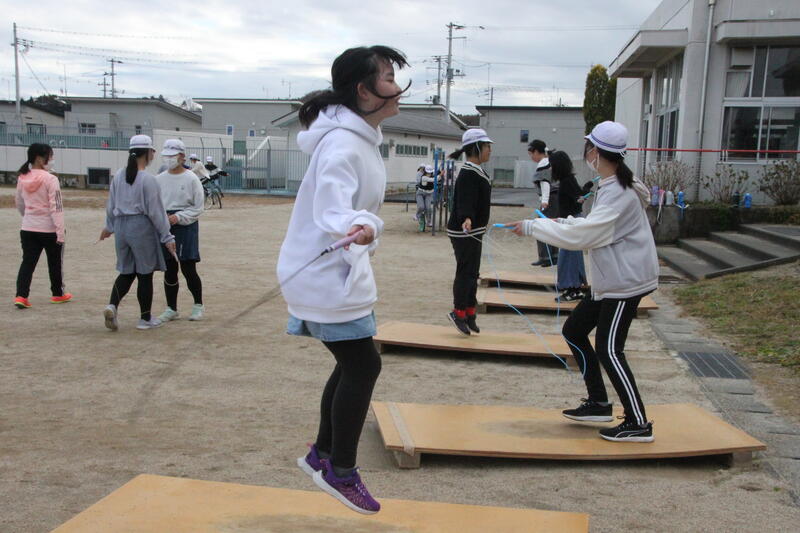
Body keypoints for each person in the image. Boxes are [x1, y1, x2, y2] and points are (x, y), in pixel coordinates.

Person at [277, 45, 409, 515]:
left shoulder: (361, 136)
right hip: (324, 272)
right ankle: (341, 471)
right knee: (363, 365)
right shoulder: (341, 142)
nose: (397, 87)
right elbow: (332, 207)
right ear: (363, 89)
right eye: (388, 76)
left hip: (339, 269)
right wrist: (361, 224)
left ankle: (322, 454)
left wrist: (362, 226)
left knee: (355, 360)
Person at [509, 121, 658, 442]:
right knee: (574, 330)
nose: (586, 151)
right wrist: (557, 221)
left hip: (626, 282)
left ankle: (638, 423)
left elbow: (586, 235)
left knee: (610, 349)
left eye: (588, 146)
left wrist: (535, 227)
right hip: (612, 280)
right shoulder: (611, 185)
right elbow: (591, 225)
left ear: (597, 151)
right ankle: (599, 403)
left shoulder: (619, 191)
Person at [99, 135, 176, 331]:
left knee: (126, 271)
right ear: (148, 153)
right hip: (141, 227)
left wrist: (109, 226)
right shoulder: (148, 180)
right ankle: (145, 318)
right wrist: (167, 236)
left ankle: (112, 305)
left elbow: (111, 205)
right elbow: (156, 212)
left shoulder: (118, 175)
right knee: (144, 273)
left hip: (121, 227)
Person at [445, 128, 493, 336]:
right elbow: (465, 200)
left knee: (473, 273)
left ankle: (470, 313)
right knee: (465, 273)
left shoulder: (478, 171)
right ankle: (458, 312)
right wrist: (467, 218)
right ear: (476, 148)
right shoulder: (468, 173)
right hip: (464, 231)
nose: (489, 150)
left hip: (475, 231)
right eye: (487, 147)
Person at [14, 143, 72, 308]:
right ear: (40, 158)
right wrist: (60, 232)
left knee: (27, 263)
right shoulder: (51, 179)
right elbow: (57, 207)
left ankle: (21, 295)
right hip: (49, 229)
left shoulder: (22, 177)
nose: (51, 160)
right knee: (54, 263)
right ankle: (58, 293)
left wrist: (28, 217)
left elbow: (19, 203)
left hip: (28, 228)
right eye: (50, 156)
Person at [155, 139, 206, 322]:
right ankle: (171, 307)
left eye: (173, 156)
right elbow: (154, 204)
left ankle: (198, 305)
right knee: (169, 268)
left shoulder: (191, 178)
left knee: (188, 267)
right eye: (166, 156)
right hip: (165, 225)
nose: (169, 159)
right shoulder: (159, 179)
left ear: (182, 156)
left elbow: (199, 207)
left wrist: (180, 217)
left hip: (186, 226)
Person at [548, 150, 591, 302]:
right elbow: (579, 196)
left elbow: (577, 199)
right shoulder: (569, 179)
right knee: (571, 256)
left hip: (571, 223)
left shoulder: (567, 181)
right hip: (570, 222)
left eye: (552, 165)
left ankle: (572, 289)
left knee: (568, 257)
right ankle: (574, 289)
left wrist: (583, 192)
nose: (551, 168)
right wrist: (585, 190)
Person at [528, 139, 558, 267]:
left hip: (549, 199)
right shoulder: (551, 161)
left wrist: (544, 201)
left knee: (540, 227)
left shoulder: (543, 164)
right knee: (553, 228)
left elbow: (545, 183)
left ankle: (545, 257)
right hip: (557, 199)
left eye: (531, 153)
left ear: (536, 151)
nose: (530, 157)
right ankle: (554, 256)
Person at [415, 164, 435, 231]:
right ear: (425, 172)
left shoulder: (432, 175)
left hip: (428, 194)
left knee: (428, 208)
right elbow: (432, 180)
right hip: (420, 193)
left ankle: (429, 221)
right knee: (421, 207)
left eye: (430, 172)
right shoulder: (423, 177)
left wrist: (440, 174)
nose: (429, 173)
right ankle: (417, 216)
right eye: (427, 172)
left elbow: (435, 178)